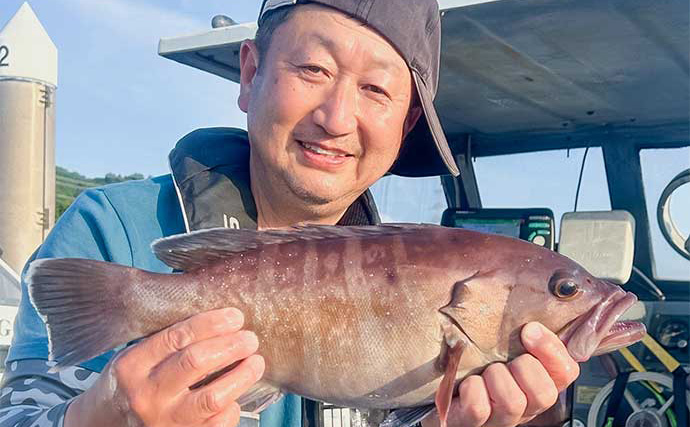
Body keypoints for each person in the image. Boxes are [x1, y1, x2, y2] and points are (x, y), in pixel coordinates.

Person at [0, 0, 580, 426]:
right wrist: (103, 417)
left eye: (376, 90)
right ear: (250, 74)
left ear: (404, 128)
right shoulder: (115, 231)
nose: (336, 116)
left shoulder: (457, 323)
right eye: (313, 70)